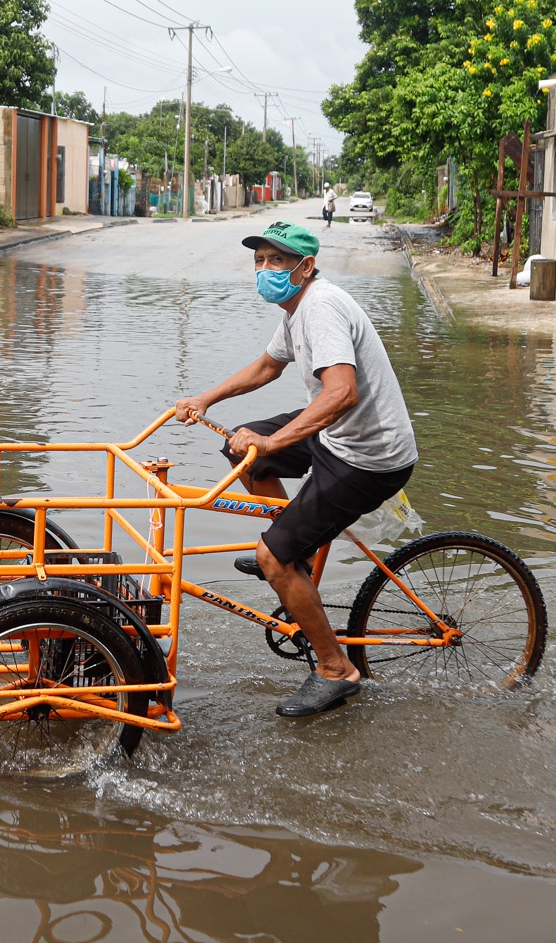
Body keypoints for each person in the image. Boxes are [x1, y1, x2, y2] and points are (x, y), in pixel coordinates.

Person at [175, 220, 418, 717]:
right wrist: (206, 398)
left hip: (369, 457)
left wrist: (270, 440)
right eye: (260, 261)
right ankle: (295, 555)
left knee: (271, 557)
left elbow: (341, 392)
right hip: (336, 434)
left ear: (305, 268)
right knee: (240, 451)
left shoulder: (321, 307)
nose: (265, 270)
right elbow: (267, 367)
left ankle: (335, 670)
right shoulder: (296, 308)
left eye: (277, 262)